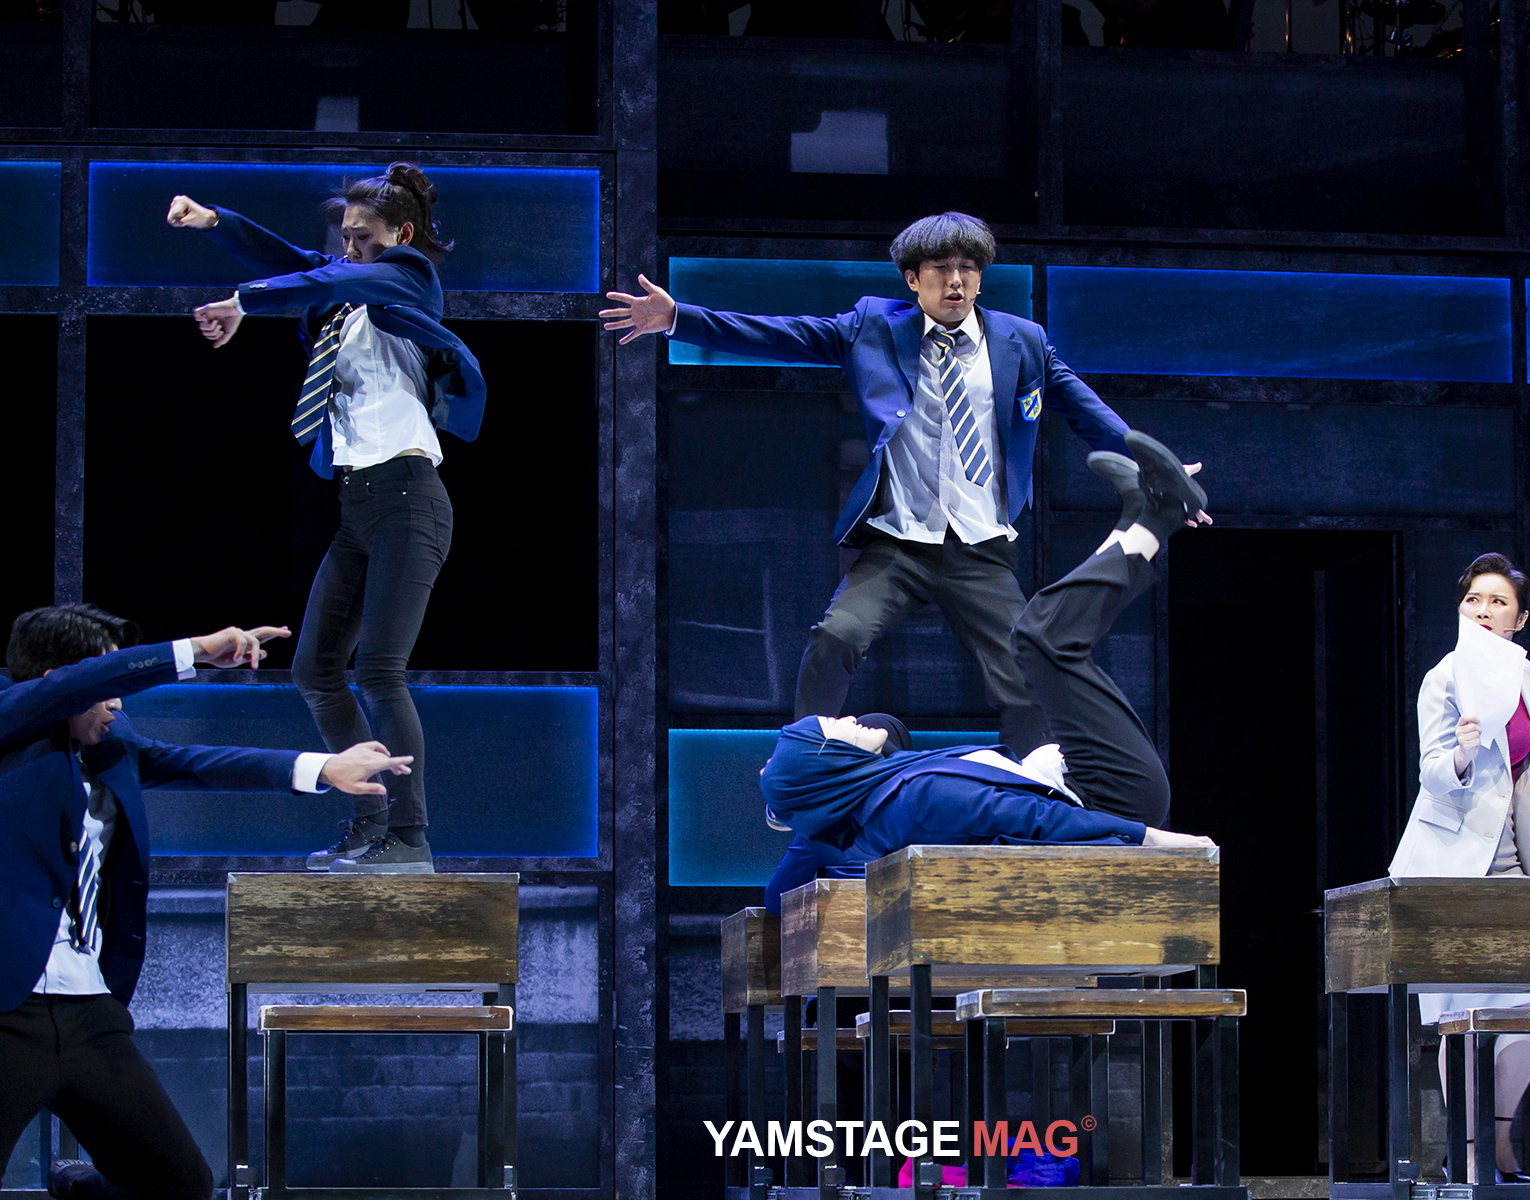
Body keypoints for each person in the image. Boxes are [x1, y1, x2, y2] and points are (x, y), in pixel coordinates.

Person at [601, 211, 1131, 757]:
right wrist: (678, 318)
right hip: (898, 544)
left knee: (1028, 675)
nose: (956, 281)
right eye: (941, 268)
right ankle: (804, 769)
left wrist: (1154, 467)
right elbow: (783, 335)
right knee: (836, 638)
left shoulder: (1022, 341)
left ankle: (1028, 786)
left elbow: (1086, 410)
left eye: (969, 269)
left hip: (980, 548)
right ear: (913, 278)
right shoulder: (872, 328)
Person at [0, 603, 408, 1200]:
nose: (117, 703)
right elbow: (75, 687)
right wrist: (196, 649)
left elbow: (198, 763)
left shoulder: (114, 746)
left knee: (181, 1184)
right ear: (56, 682)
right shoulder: (9, 719)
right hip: (10, 1011)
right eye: (106, 687)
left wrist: (323, 768)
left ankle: (81, 1190)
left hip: (88, 1013)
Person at [166, 163, 486, 874]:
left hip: (408, 498)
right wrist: (215, 222)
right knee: (315, 670)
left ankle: (410, 838)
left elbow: (318, 279)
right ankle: (371, 822)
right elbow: (296, 264)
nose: (348, 248)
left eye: (362, 236)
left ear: (401, 235)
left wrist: (243, 302)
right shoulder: (346, 290)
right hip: (357, 507)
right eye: (344, 237)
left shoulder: (406, 277)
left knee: (380, 671)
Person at [758, 431, 1215, 912]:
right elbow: (1038, 821)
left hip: (1075, 780)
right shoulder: (920, 797)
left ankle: (1143, 519)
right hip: (1109, 796)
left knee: (1041, 641)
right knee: (1039, 641)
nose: (848, 717)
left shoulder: (869, 807)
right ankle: (1154, 517)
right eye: (833, 727)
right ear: (831, 763)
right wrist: (1151, 839)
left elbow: (776, 894)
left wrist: (798, 800)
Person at [1389, 552, 1530, 1183]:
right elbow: (1431, 773)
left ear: (1521, 618)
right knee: (1459, 1017)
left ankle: (1500, 1142)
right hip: (1452, 866)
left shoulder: (1522, 675)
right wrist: (1461, 754)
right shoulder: (1445, 676)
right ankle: (1467, 1155)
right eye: (1473, 600)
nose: (1484, 611)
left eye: (1498, 602)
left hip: (1510, 865)